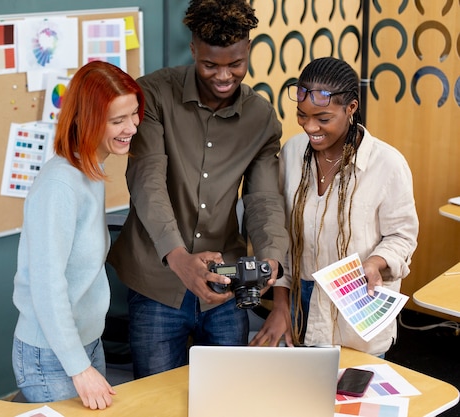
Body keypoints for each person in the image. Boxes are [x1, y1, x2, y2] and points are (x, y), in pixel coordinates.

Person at [108, 0, 289, 379]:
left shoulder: (260, 117)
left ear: (248, 52)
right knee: (154, 399)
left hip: (225, 286)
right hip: (157, 282)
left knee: (225, 393)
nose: (224, 75)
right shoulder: (153, 95)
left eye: (235, 64)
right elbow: (147, 181)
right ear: (193, 50)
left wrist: (271, 256)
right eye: (210, 64)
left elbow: (263, 199)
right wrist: (177, 258)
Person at [250, 57, 418, 357]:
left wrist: (375, 263)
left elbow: (402, 236)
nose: (310, 126)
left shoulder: (387, 164)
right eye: (302, 115)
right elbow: (281, 235)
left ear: (350, 108)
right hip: (300, 302)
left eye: (323, 118)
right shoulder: (292, 153)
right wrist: (281, 305)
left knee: (353, 399)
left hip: (357, 306)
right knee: (303, 396)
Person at [11, 61, 144, 409]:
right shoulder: (60, 185)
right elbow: (47, 284)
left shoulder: (89, 170)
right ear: (88, 121)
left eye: (133, 114)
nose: (132, 127)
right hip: (51, 355)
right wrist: (79, 367)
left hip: (83, 343)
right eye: (118, 121)